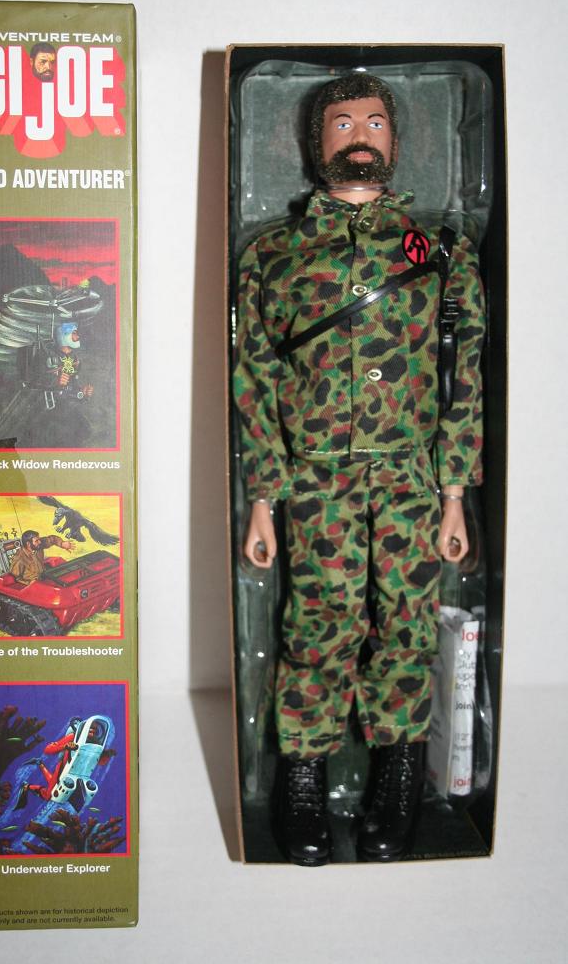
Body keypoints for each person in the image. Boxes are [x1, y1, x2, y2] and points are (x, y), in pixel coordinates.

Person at [233, 72, 485, 865]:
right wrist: (263, 497)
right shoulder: (274, 256)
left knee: (407, 627)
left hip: (411, 477)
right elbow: (254, 380)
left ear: (397, 140)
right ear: (317, 143)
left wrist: (454, 492)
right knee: (318, 624)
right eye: (342, 124)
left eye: (375, 122)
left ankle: (399, 777)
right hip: (317, 479)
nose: (360, 137)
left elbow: (462, 375)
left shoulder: (440, 253)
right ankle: (301, 780)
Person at [9, 529, 74, 585]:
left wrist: (62, 543)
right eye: (36, 541)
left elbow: (52, 539)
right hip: (34, 585)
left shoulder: (38, 545)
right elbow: (16, 578)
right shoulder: (19, 558)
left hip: (45, 577)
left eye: (39, 539)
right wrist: (29, 583)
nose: (40, 542)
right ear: (28, 544)